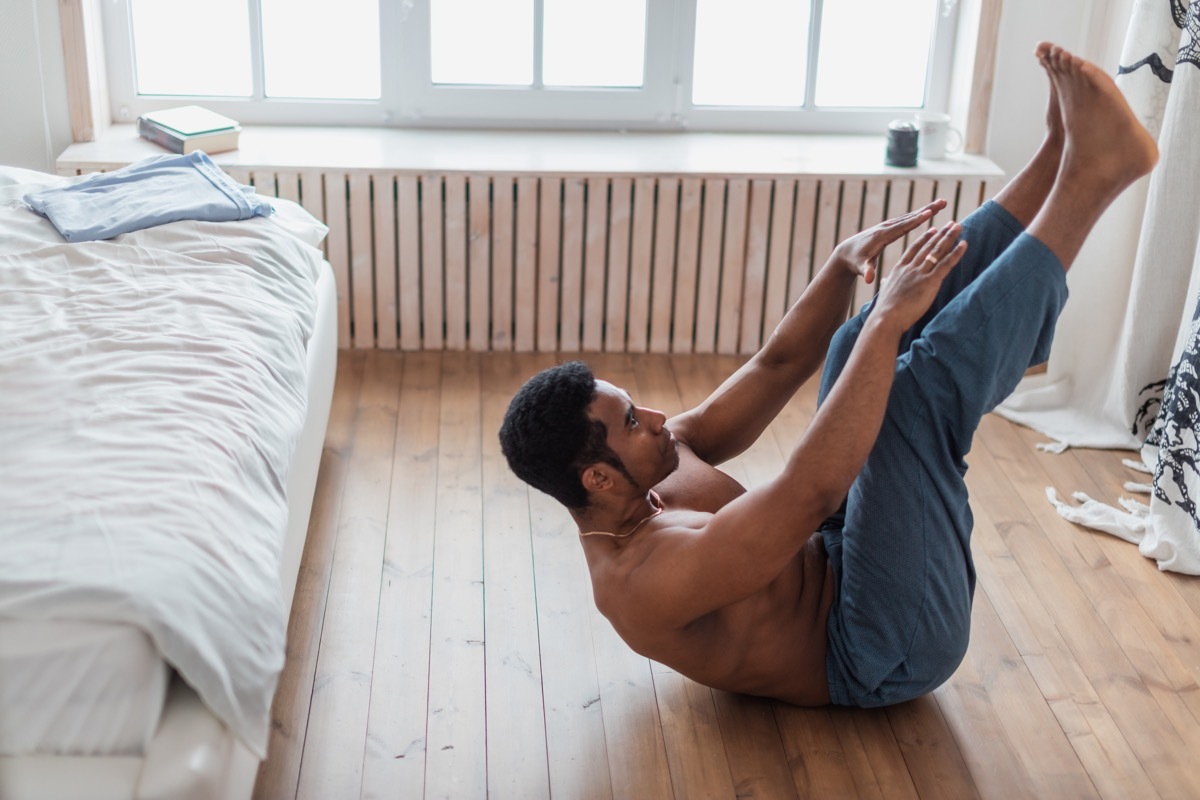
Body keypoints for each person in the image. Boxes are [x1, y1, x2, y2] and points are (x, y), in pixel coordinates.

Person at [499, 44, 1158, 708]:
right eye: (633, 423)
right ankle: (1095, 177)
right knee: (901, 395)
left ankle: (1055, 155)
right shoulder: (641, 582)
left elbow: (776, 364)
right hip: (877, 648)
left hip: (840, 553)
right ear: (600, 478)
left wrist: (842, 270)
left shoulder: (655, 467)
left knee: (850, 344)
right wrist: (888, 321)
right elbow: (811, 489)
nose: (661, 420)